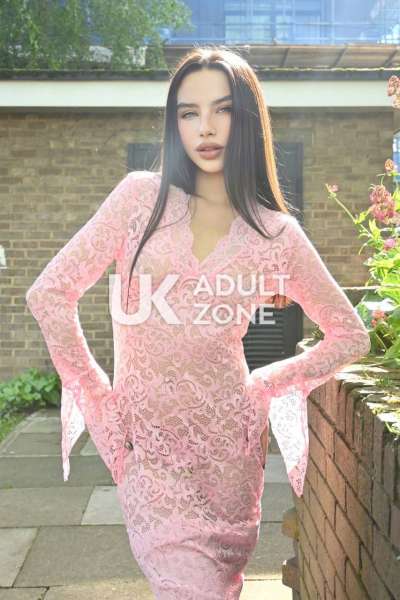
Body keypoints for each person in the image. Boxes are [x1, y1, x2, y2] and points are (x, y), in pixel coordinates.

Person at [25, 46, 371, 599]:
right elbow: (49, 293)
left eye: (223, 110)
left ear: (248, 119)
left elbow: (350, 335)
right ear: (175, 123)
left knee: (218, 587)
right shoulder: (140, 199)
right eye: (189, 112)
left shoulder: (276, 234)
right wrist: (100, 400)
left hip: (230, 453)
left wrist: (265, 383)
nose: (205, 128)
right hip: (149, 452)